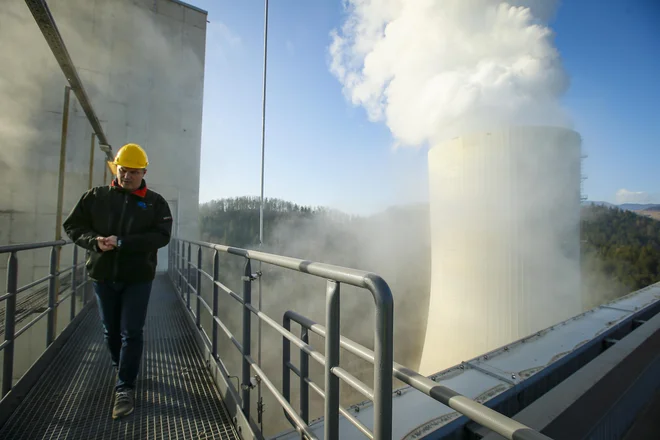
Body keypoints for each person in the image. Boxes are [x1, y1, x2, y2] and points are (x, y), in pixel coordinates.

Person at [63, 143, 173, 419]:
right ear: (116, 169)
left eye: (134, 172)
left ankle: (124, 387)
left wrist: (123, 242)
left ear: (144, 172)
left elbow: (162, 236)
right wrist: (94, 242)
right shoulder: (96, 197)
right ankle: (122, 367)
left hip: (138, 278)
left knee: (131, 332)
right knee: (110, 332)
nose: (127, 177)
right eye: (124, 171)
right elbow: (72, 226)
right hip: (102, 275)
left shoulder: (155, 203)